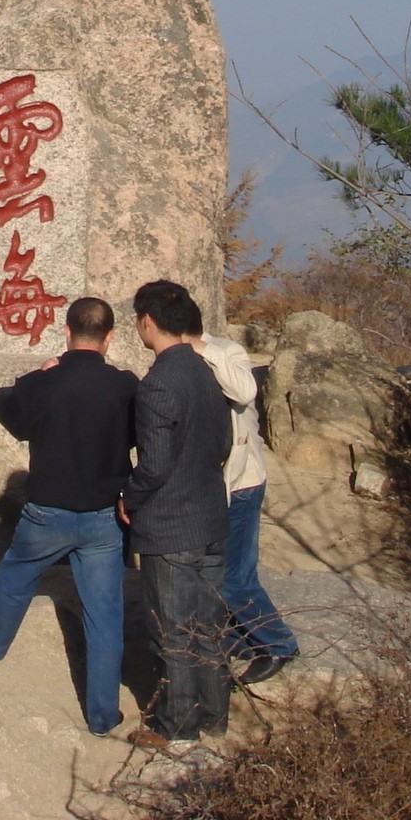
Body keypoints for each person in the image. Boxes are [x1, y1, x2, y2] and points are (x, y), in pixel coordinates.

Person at [0, 295, 139, 737]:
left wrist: (37, 376)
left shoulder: (47, 381)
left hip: (47, 509)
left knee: (16, 575)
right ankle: (102, 715)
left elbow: (7, 409)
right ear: (109, 337)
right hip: (102, 513)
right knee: (104, 611)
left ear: (67, 332)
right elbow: (139, 434)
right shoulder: (126, 385)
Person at [120, 279, 233, 753]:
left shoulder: (159, 382)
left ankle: (176, 726)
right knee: (208, 626)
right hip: (211, 516)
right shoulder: (205, 371)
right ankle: (213, 717)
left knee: (173, 631)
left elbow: (156, 462)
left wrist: (131, 496)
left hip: (171, 524)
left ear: (147, 322)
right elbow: (224, 444)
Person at [194, 328, 302, 682]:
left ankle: (278, 644)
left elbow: (243, 390)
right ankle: (242, 639)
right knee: (214, 572)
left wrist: (201, 349)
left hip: (242, 483)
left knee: (235, 578)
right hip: (218, 485)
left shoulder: (226, 352)